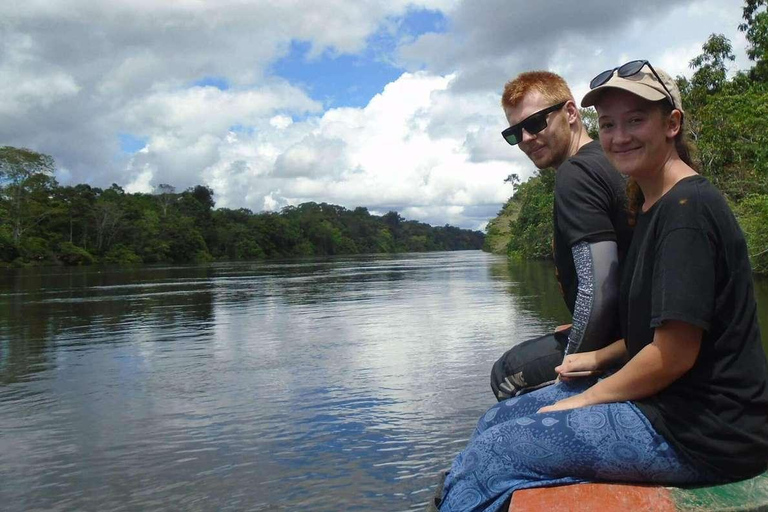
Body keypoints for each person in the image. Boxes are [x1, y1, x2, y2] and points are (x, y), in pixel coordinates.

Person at [437, 61, 768, 512]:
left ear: (672, 124)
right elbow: (651, 334)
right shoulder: (651, 203)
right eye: (609, 124)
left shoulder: (687, 213)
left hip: (703, 431)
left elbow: (673, 354)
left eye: (636, 120)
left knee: (495, 455)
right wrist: (598, 355)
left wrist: (587, 400)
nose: (618, 136)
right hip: (666, 405)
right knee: (498, 420)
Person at [491, 72, 633, 400]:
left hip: (620, 342)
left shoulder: (576, 174)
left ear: (570, 113)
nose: (526, 138)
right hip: (628, 330)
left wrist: (576, 358)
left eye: (536, 123)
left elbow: (599, 289)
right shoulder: (605, 160)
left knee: (507, 372)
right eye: (514, 133)